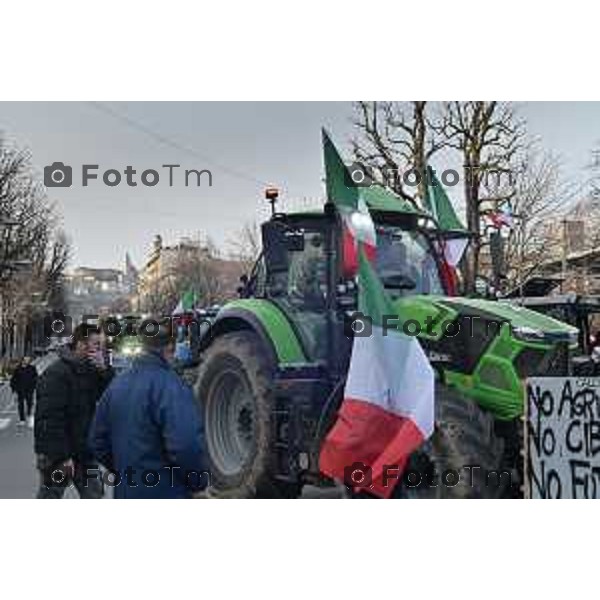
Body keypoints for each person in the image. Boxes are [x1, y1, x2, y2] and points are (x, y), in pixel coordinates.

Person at [89, 318, 208, 499]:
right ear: (170, 348)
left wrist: (127, 470)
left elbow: (97, 441)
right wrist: (197, 483)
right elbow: (186, 444)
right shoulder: (171, 387)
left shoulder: (116, 386)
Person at [34, 324, 114, 499]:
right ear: (80, 344)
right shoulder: (56, 373)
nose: (101, 349)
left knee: (95, 496)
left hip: (85, 452)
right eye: (96, 344)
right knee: (50, 498)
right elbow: (49, 420)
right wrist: (62, 457)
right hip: (57, 454)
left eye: (101, 345)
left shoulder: (92, 370)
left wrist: (105, 371)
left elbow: (113, 398)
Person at [10, 356, 38, 428]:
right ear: (22, 360)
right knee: (21, 405)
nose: (27, 361)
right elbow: (13, 380)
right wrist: (14, 390)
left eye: (28, 360)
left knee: (29, 403)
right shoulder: (18, 369)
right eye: (25, 360)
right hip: (20, 390)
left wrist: (34, 386)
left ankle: (29, 416)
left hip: (29, 389)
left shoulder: (32, 368)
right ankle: (22, 420)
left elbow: (36, 377)